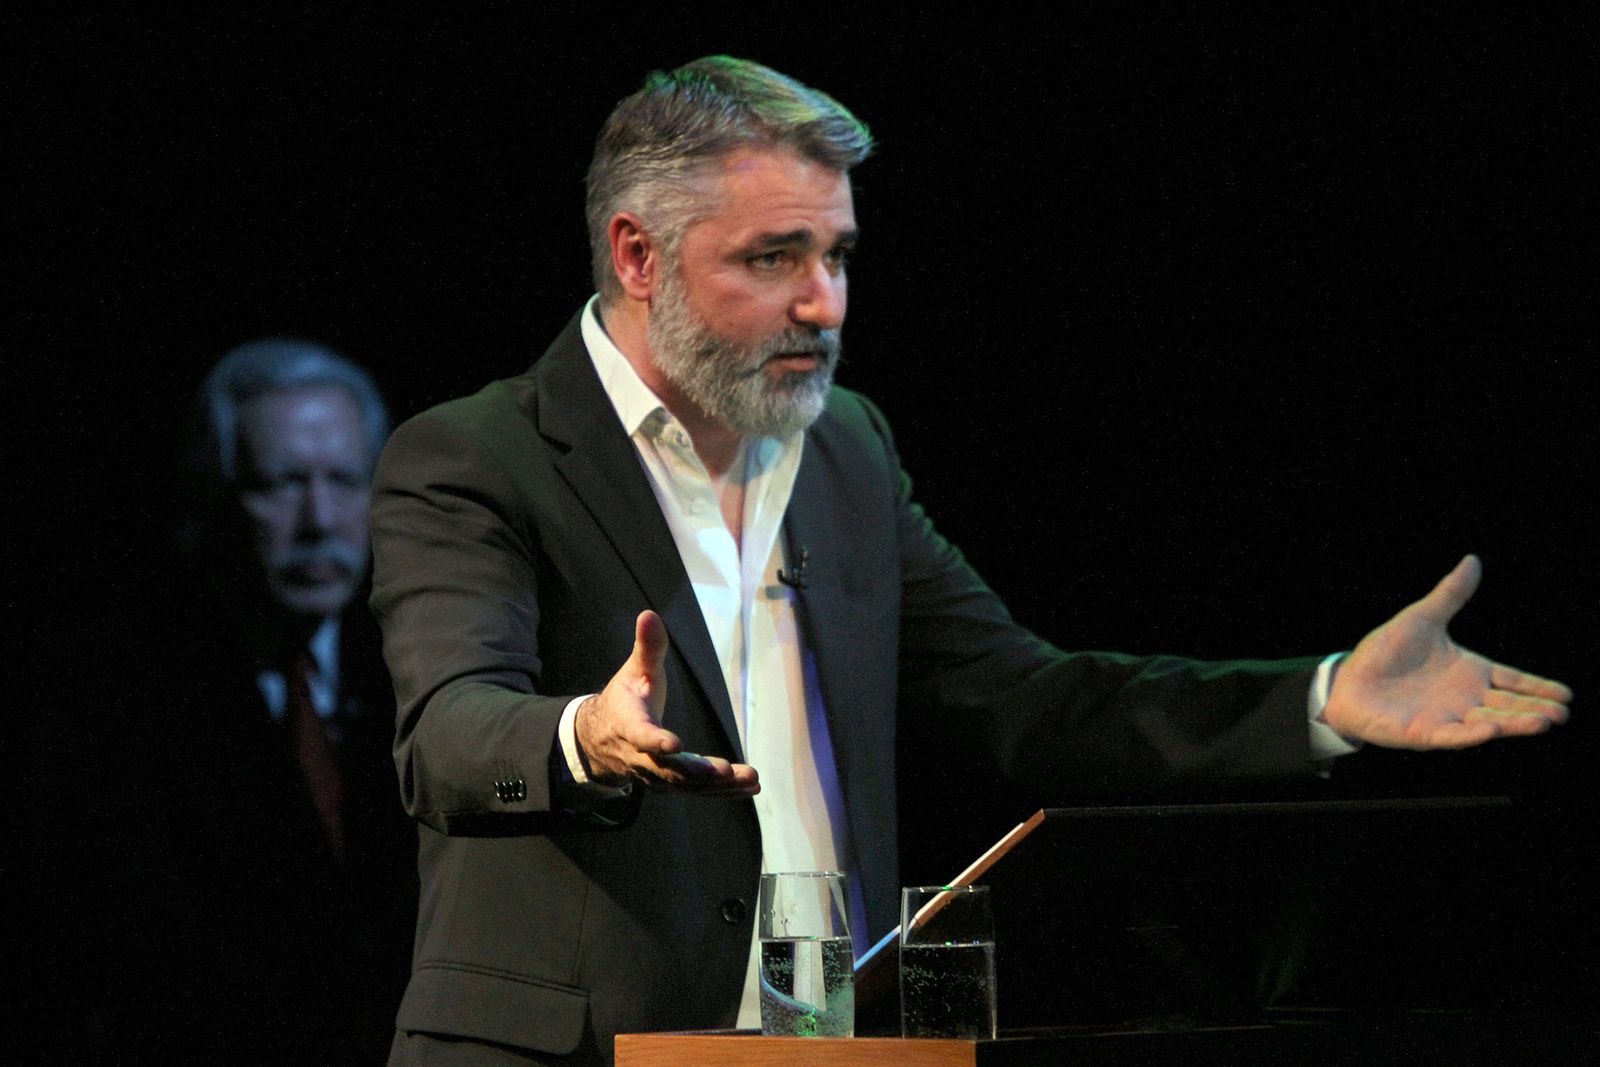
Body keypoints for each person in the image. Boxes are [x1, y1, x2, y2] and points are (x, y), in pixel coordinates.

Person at [368, 57, 1570, 1066]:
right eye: (774, 258)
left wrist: (1317, 698)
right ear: (636, 255)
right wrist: (582, 731)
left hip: (826, 1041)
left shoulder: (842, 447)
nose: (824, 303)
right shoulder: (475, 454)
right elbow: (448, 728)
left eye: (837, 255)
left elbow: (1023, 699)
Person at [81, 339, 416, 1062]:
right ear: (216, 494)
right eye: (280, 483)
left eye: (344, 480)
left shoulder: (415, 671)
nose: (319, 519)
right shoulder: (120, 704)